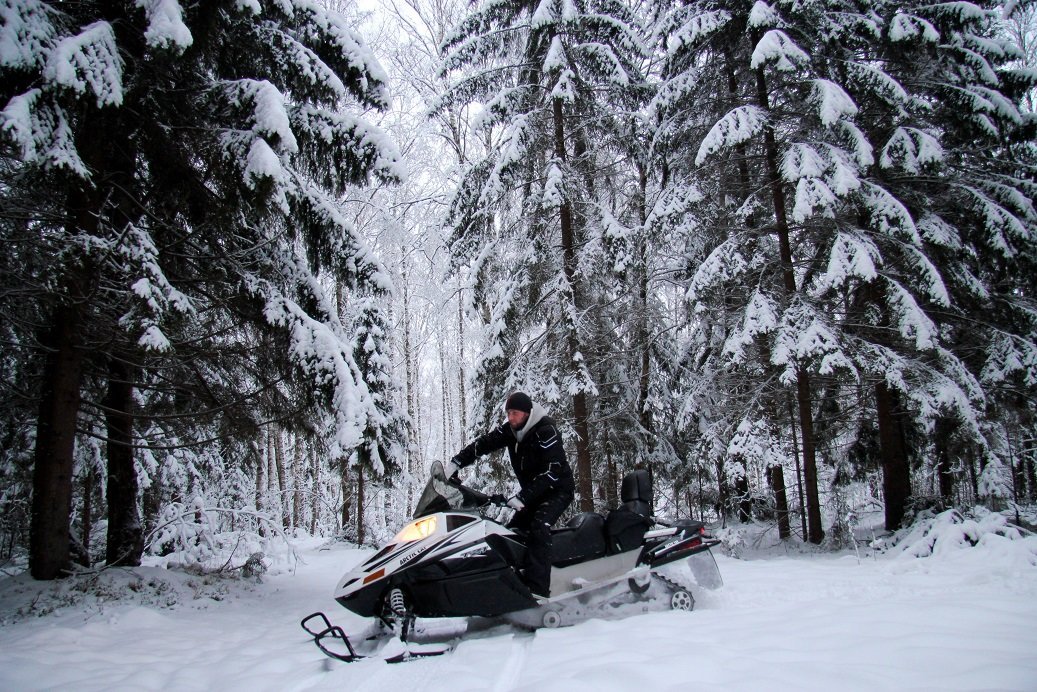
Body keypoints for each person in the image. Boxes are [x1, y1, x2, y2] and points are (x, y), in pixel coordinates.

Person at [445, 391, 574, 599]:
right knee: (512, 532)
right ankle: (513, 587)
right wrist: (457, 462)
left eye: (515, 413)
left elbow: (552, 472)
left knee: (539, 526)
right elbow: (484, 444)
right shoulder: (512, 431)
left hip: (557, 490)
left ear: (527, 413)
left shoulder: (546, 431)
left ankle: (538, 591)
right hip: (533, 494)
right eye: (508, 413)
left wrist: (523, 497)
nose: (511, 418)